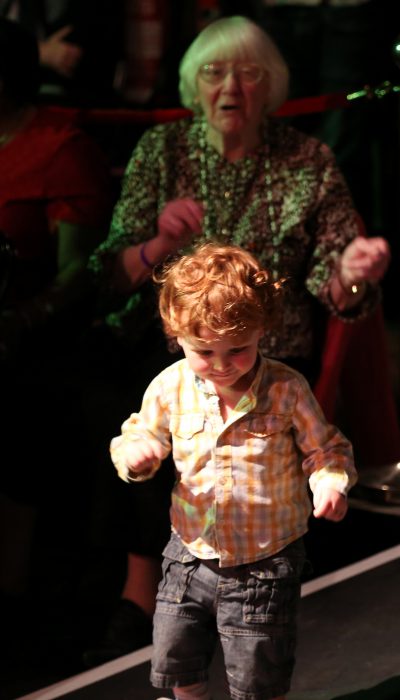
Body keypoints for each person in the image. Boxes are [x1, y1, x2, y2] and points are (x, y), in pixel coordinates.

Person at [85, 14, 389, 665]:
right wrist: (158, 244)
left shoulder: (307, 160)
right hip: (167, 345)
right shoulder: (162, 151)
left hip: (267, 352)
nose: (232, 87)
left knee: (260, 406)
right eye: (215, 73)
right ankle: (144, 590)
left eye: (248, 73)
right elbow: (107, 274)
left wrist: (353, 273)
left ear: (271, 86)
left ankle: (255, 578)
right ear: (194, 86)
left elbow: (331, 281)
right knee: (138, 405)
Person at [109, 242, 355, 700]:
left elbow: (327, 450)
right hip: (188, 553)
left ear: (263, 329)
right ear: (175, 332)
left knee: (258, 676)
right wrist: (137, 455)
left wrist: (330, 484)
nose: (221, 365)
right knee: (175, 658)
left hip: (264, 563)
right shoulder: (169, 387)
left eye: (237, 349)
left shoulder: (285, 389)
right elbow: (134, 437)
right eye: (204, 351)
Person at [0, 18, 111, 597]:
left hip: (34, 334)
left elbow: (82, 271)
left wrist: (21, 320)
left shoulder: (58, 148)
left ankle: (10, 585)